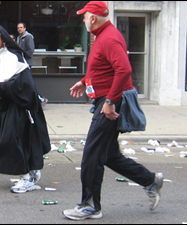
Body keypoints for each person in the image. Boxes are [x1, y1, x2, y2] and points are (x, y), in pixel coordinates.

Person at [63, 1, 163, 221]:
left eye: (84, 15)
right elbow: (103, 68)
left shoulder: (109, 37)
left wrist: (109, 101)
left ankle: (90, 206)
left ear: (93, 18)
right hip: (106, 99)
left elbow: (124, 69)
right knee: (107, 155)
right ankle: (151, 180)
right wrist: (84, 81)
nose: (82, 19)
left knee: (91, 154)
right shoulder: (102, 36)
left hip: (109, 103)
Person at [0, 24, 50, 194]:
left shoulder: (15, 56)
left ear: (3, 38)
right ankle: (30, 172)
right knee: (3, 140)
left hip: (17, 107)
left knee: (12, 141)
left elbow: (24, 85)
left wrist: (0, 87)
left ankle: (26, 178)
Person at [16, 22, 48, 107]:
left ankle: (41, 99)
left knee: (28, 83)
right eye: (18, 28)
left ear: (25, 28)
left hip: (26, 64)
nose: (19, 29)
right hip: (20, 64)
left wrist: (21, 54)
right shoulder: (19, 38)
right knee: (23, 83)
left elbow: (30, 51)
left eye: (21, 27)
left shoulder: (28, 37)